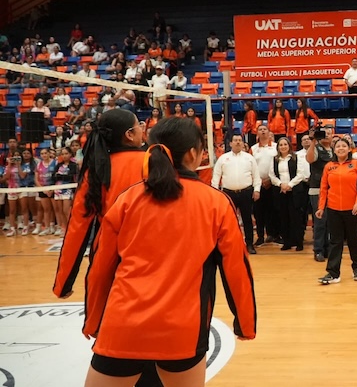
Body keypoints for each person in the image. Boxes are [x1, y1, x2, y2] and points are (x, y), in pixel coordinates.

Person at [81, 117, 256, 387]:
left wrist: (93, 321)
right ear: (193, 154)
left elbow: (99, 269)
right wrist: (245, 324)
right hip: (182, 331)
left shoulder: (127, 200)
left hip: (123, 326)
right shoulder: (217, 203)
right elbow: (237, 270)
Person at [53, 110, 145, 298]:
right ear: (129, 134)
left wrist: (63, 283)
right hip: (148, 255)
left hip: (107, 255)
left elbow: (77, 227)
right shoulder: (156, 163)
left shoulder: (95, 170)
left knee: (104, 311)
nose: (142, 129)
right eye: (139, 126)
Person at [315, 139, 357, 284]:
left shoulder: (356, 164)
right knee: (335, 241)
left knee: (353, 240)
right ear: (334, 149)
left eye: (344, 146)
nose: (341, 148)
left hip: (352, 210)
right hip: (333, 209)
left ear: (349, 149)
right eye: (338, 146)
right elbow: (324, 188)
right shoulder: (329, 166)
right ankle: (333, 273)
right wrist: (321, 207)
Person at [211, 134, 261, 254]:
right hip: (228, 194)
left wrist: (257, 190)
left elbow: (256, 175)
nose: (238, 142)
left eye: (240, 140)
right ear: (230, 143)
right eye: (235, 140)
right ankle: (230, 244)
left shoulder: (249, 158)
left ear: (243, 143)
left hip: (246, 192)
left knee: (247, 220)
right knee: (229, 221)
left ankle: (249, 244)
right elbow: (216, 176)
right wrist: (215, 193)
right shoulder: (223, 158)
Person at [269, 137, 307, 251]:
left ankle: (298, 242)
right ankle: (287, 242)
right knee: (283, 217)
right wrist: (281, 184)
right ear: (278, 147)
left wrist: (289, 185)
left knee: (296, 218)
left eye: (285, 144)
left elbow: (300, 174)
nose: (283, 147)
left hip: (295, 192)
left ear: (289, 146)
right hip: (281, 192)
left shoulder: (296, 158)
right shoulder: (274, 159)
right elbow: (272, 175)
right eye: (281, 145)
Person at [307, 125, 334, 261]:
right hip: (317, 189)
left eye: (329, 133)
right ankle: (318, 250)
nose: (326, 135)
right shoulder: (316, 148)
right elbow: (310, 159)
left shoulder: (335, 150)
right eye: (324, 133)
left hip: (333, 190)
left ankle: (327, 248)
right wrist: (313, 142)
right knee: (320, 221)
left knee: (330, 222)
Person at [251, 125, 278, 246]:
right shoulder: (253, 148)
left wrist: (271, 179)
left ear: (269, 132)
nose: (262, 131)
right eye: (260, 129)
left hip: (273, 183)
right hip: (258, 184)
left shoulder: (276, 147)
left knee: (273, 210)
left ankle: (274, 234)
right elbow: (251, 166)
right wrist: (258, 181)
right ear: (257, 133)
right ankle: (260, 236)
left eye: (264, 129)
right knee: (258, 211)